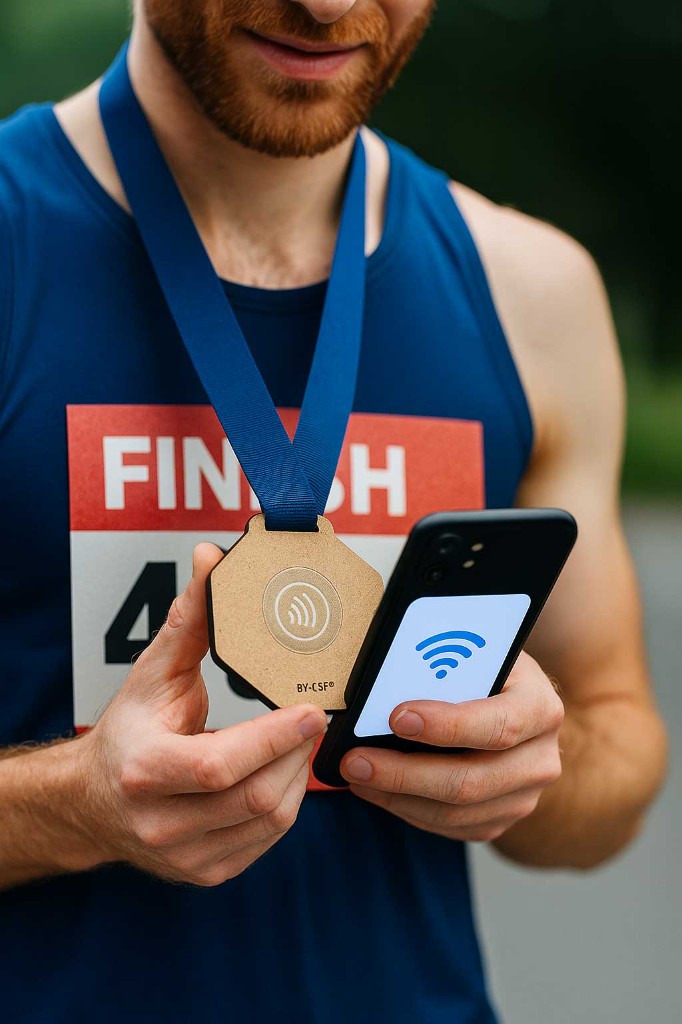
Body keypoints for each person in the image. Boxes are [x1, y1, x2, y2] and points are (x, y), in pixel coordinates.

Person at [0, 1, 667, 1021]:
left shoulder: (532, 290)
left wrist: (536, 770)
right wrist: (71, 807)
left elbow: (618, 752)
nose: (329, 5)